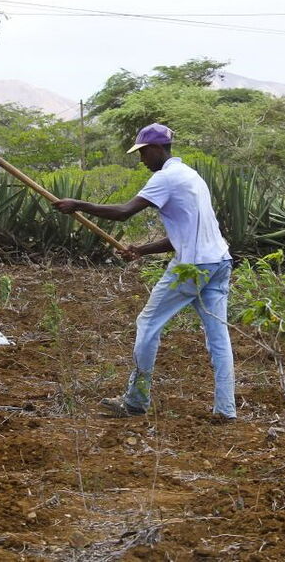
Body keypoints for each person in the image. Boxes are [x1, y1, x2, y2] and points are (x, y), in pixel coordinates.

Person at [53, 123, 236, 422]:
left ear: (155, 149)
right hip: (219, 263)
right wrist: (141, 250)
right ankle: (226, 409)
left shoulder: (165, 178)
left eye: (142, 153)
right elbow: (185, 234)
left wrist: (79, 205)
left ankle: (135, 401)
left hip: (192, 267)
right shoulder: (192, 176)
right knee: (219, 337)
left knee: (148, 323)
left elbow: (124, 212)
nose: (141, 160)